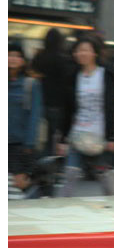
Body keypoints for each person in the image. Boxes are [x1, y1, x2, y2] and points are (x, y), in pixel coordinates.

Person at [57, 36, 114, 197]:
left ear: (94, 53)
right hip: (77, 134)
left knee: (105, 178)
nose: (81, 53)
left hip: (100, 136)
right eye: (78, 50)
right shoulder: (72, 76)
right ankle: (62, 208)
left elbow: (111, 106)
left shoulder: (105, 75)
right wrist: (63, 139)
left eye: (85, 50)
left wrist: (112, 136)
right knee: (70, 175)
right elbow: (67, 109)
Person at [8, 42, 43, 191]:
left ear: (23, 61)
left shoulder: (31, 84)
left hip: (19, 144)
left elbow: (35, 115)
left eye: (17, 56)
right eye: (9, 55)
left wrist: (29, 144)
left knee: (20, 184)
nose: (12, 58)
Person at [32, 28, 72, 156]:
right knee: (55, 136)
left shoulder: (39, 57)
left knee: (41, 135)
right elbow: (67, 81)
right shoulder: (64, 58)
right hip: (58, 104)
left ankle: (41, 158)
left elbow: (32, 73)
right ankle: (52, 159)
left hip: (40, 102)